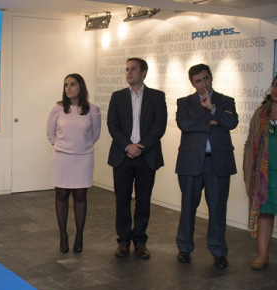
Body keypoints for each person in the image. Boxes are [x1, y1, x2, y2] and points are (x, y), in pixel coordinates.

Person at [175, 63, 239, 269]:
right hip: (191, 162)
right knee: (188, 207)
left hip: (218, 162)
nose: (203, 84)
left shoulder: (225, 100)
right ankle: (184, 248)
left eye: (206, 79)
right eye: (198, 81)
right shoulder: (184, 102)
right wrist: (211, 122)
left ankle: (219, 251)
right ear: (192, 83)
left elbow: (231, 123)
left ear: (211, 78)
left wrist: (212, 108)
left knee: (218, 208)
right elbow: (184, 124)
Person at [107, 58, 167, 259]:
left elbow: (159, 126)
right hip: (122, 156)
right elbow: (112, 125)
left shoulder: (157, 97)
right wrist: (127, 146)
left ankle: (140, 241)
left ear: (144, 72)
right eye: (126, 69)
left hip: (146, 156)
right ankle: (123, 241)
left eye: (133, 69)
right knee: (122, 200)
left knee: (143, 201)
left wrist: (141, 147)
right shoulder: (117, 97)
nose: (129, 73)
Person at [47, 74, 101, 254]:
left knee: (80, 196)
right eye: (66, 85)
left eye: (72, 84)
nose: (68, 88)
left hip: (83, 158)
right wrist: (63, 148)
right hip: (62, 158)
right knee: (61, 195)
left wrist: (81, 148)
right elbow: (50, 133)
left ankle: (79, 235)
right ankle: (63, 234)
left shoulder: (93, 110)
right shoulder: (58, 108)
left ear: (81, 87)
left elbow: (95, 134)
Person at [243, 75, 277, 270]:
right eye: (274, 85)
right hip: (265, 174)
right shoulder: (261, 113)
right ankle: (262, 256)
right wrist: (247, 167)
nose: (275, 89)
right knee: (265, 213)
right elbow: (249, 144)